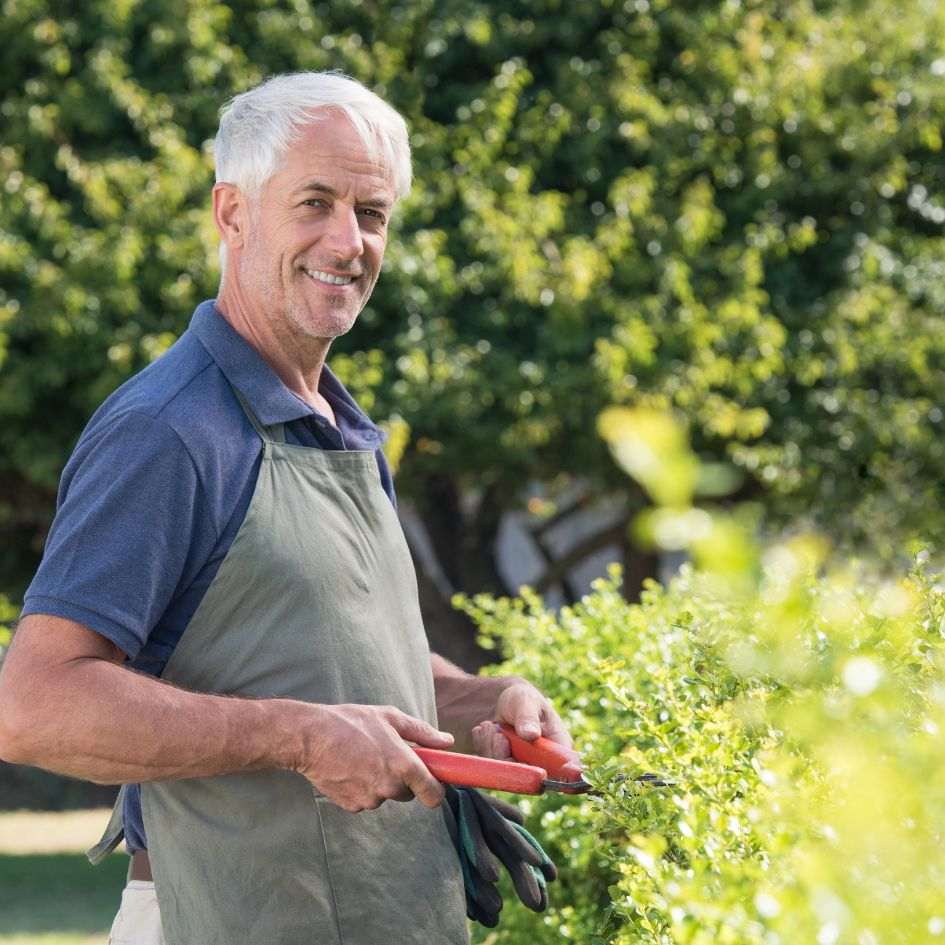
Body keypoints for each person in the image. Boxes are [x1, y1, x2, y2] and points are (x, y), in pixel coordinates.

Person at [0, 72, 575, 945]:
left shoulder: (338, 424)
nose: (347, 242)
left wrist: (484, 699)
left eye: (372, 214)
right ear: (233, 214)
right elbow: (33, 704)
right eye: (314, 203)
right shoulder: (169, 429)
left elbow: (335, 659)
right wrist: (299, 739)